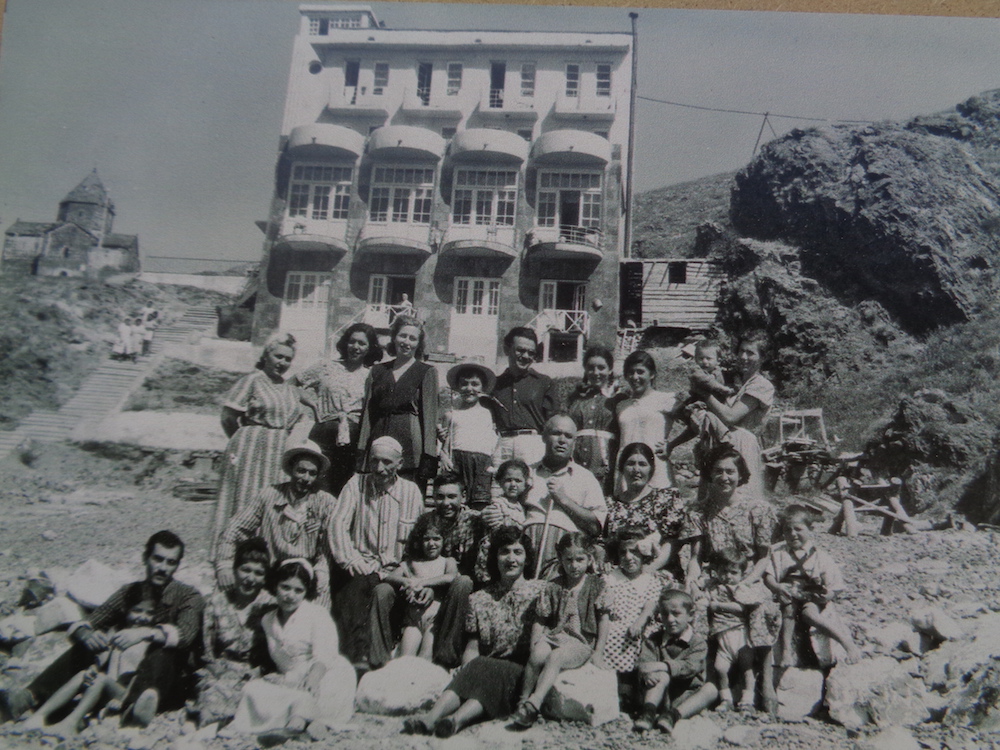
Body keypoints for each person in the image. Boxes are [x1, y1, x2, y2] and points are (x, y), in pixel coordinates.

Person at [0, 531, 205, 728]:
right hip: (123, 675)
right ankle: (27, 698)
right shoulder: (129, 592)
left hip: (164, 683)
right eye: (158, 559)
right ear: (145, 558)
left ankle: (132, 708)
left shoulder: (188, 596)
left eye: (171, 562)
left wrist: (145, 633)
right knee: (88, 644)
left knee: (163, 648)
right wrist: (86, 634)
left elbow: (185, 635)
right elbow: (91, 621)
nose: (163, 568)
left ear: (177, 565)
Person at [402, 526, 554, 738]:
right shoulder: (479, 599)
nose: (511, 558)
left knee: (491, 670)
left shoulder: (541, 592)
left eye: (517, 552)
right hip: (486, 665)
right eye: (504, 552)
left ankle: (455, 720)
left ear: (527, 559)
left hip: (524, 670)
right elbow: (473, 647)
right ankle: (431, 718)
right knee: (478, 667)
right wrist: (466, 668)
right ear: (495, 558)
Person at [688, 444, 779, 712]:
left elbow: (764, 557)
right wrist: (692, 581)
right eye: (718, 471)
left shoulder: (758, 509)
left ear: (741, 475)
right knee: (697, 604)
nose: (724, 477)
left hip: (747, 575)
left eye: (730, 471)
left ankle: (766, 683)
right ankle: (707, 681)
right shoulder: (699, 511)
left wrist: (745, 582)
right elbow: (695, 556)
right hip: (715, 576)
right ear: (709, 474)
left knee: (761, 607)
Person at [225, 560, 355, 740]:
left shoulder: (316, 614)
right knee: (252, 689)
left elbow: (325, 655)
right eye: (285, 587)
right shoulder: (268, 620)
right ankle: (308, 724)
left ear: (305, 592)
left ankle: (298, 723)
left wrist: (313, 678)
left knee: (316, 689)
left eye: (298, 590)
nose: (290, 596)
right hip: (290, 679)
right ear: (275, 586)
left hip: (324, 673)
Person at [211, 334, 302, 560]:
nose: (282, 362)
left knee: (272, 503)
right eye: (278, 356)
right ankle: (231, 555)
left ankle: (265, 558)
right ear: (266, 355)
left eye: (288, 359)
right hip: (250, 451)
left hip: (279, 452)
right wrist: (243, 440)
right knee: (246, 500)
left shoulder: (289, 388)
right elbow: (228, 417)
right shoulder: (252, 381)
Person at [215, 442, 335, 607]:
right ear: (291, 469)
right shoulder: (270, 495)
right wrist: (225, 564)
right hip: (271, 572)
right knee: (229, 592)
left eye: (312, 473)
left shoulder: (325, 502)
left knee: (318, 605)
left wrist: (321, 571)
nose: (306, 478)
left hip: (305, 574)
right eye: (301, 471)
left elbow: (326, 549)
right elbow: (234, 529)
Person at [17, 598, 157, 736]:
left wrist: (123, 698)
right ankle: (38, 717)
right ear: (126, 611)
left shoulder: (148, 639)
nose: (142, 617)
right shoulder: (116, 632)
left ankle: (70, 724)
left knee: (101, 679)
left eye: (149, 613)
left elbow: (141, 677)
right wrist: (93, 670)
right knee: (84, 675)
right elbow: (105, 663)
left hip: (126, 694)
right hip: (108, 686)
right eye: (137, 611)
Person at [511, 532, 604, 728]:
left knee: (556, 658)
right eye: (568, 559)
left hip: (581, 642)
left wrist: (599, 652)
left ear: (590, 559)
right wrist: (536, 641)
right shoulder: (553, 586)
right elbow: (541, 617)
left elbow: (604, 620)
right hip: (555, 636)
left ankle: (534, 703)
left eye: (580, 559)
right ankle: (522, 700)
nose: (574, 565)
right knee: (537, 655)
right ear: (560, 559)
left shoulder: (596, 585)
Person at [764, 505, 862, 668]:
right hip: (787, 595)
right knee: (788, 610)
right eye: (788, 530)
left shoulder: (820, 556)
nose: (793, 534)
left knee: (810, 614)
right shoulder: (778, 553)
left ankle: (846, 642)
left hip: (811, 596)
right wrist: (777, 587)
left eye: (798, 529)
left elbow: (835, 586)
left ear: (810, 529)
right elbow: (768, 576)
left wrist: (827, 595)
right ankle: (787, 650)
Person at [192, 538, 273, 728]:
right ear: (235, 570)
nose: (250, 578)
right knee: (212, 698)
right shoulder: (217, 603)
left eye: (258, 573)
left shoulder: (270, 606)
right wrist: (220, 674)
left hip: (256, 676)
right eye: (245, 570)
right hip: (220, 674)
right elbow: (207, 652)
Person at [292, 323, 381, 494]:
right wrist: (311, 403)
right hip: (323, 433)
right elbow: (292, 385)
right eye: (352, 341)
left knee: (342, 487)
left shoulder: (372, 375)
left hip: (352, 439)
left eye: (362, 343)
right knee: (314, 484)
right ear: (345, 343)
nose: (355, 347)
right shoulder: (326, 366)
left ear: (369, 348)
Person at [688, 332, 775, 501]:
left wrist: (704, 394)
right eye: (741, 351)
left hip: (742, 446)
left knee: (740, 501)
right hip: (719, 446)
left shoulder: (761, 385)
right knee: (712, 503)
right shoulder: (733, 382)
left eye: (750, 353)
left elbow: (730, 417)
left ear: (762, 358)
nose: (743, 357)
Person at [357, 315, 439, 492]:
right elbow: (367, 415)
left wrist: (428, 456)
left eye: (412, 338)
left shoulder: (426, 372)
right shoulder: (377, 371)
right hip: (378, 444)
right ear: (394, 337)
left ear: (418, 343)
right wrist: (362, 450)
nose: (406, 342)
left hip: (410, 447)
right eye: (403, 336)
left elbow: (430, 418)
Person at [523, 415, 607, 576]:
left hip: (565, 555)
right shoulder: (528, 472)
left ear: (574, 443)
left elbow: (595, 527)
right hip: (526, 548)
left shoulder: (585, 477)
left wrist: (564, 500)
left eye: (568, 436)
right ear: (544, 436)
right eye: (556, 433)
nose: (562, 440)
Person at [606, 442, 699, 582]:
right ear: (621, 468)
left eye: (642, 464)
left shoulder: (667, 498)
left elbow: (672, 543)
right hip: (621, 574)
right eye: (631, 463)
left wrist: (646, 571)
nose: (636, 470)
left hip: (658, 572)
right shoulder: (611, 504)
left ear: (651, 469)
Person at [633, 589, 717, 734]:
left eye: (676, 614)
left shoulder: (697, 643)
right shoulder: (654, 639)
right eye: (665, 614)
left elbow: (690, 667)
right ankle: (648, 714)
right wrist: (647, 675)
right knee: (662, 676)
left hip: (685, 697)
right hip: (657, 696)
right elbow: (644, 663)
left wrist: (663, 665)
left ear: (690, 616)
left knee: (711, 689)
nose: (670, 619)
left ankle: (672, 716)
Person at [592, 528, 666, 681]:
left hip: (640, 628)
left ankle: (636, 682)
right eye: (623, 553)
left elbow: (650, 605)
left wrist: (639, 622)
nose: (628, 557)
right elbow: (605, 613)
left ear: (644, 554)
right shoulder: (611, 578)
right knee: (613, 637)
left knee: (646, 643)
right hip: (613, 629)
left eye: (634, 552)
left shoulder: (651, 580)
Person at [381, 513, 458, 660]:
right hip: (413, 619)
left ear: (444, 540)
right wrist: (406, 582)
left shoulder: (447, 561)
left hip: (434, 619)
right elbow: (389, 576)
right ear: (419, 541)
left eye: (436, 539)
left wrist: (422, 582)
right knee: (405, 657)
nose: (431, 543)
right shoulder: (412, 563)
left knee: (425, 657)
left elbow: (451, 576)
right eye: (426, 539)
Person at [704, 548, 763, 712]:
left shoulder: (740, 588)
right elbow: (704, 594)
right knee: (720, 668)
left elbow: (741, 607)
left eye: (733, 572)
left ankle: (747, 699)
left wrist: (719, 605)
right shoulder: (715, 586)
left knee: (747, 667)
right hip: (723, 638)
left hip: (739, 635)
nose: (728, 576)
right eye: (724, 571)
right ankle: (726, 699)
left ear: (741, 574)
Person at [490, 327, 556, 468]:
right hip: (502, 444)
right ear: (507, 350)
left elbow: (552, 422)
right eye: (520, 350)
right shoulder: (494, 384)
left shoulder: (544, 382)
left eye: (531, 353)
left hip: (531, 445)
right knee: (498, 486)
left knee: (532, 487)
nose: (526, 356)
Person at [439, 362, 500, 509]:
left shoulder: (488, 413)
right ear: (457, 387)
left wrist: (495, 464)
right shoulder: (452, 414)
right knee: (456, 503)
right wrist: (444, 456)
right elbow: (446, 442)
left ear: (483, 387)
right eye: (464, 384)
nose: (469, 388)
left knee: (480, 503)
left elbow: (494, 441)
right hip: (458, 461)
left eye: (475, 384)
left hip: (482, 464)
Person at [615, 350, 678, 489]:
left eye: (640, 372)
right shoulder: (621, 406)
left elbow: (694, 425)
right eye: (630, 372)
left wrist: (671, 444)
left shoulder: (666, 399)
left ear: (652, 374)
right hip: (629, 467)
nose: (635, 377)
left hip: (656, 465)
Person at [666, 340, 733, 467]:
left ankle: (715, 445)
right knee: (697, 425)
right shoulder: (697, 371)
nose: (705, 362)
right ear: (695, 359)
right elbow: (706, 381)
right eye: (701, 358)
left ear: (718, 361)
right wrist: (721, 388)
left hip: (713, 409)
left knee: (703, 428)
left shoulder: (719, 372)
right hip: (698, 404)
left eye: (709, 358)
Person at [567, 345, 620, 495]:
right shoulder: (575, 398)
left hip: (604, 460)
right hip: (577, 459)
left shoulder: (618, 397)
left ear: (610, 369)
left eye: (601, 368)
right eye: (591, 368)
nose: (596, 373)